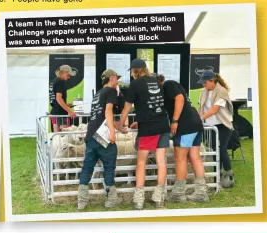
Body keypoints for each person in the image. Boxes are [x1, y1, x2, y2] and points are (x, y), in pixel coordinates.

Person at [117, 58, 170, 210]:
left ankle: (139, 199)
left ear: (135, 71)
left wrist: (120, 126)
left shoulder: (134, 85)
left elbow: (126, 109)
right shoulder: (157, 82)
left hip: (148, 129)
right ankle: (159, 197)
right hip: (162, 125)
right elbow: (155, 105)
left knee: (141, 162)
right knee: (161, 162)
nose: (132, 75)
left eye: (132, 72)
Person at [151, 74, 209, 202]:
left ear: (160, 81)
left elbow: (180, 98)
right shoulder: (163, 93)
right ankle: (201, 193)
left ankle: (179, 193)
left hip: (185, 126)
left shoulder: (168, 84)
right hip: (195, 124)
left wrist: (175, 120)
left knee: (180, 158)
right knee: (195, 157)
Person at [78, 69, 122, 210]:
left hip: (91, 135)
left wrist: (118, 126)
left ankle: (82, 200)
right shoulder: (110, 91)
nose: (118, 82)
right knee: (109, 167)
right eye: (117, 79)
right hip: (102, 136)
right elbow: (108, 111)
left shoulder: (97, 94)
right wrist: (112, 131)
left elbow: (99, 117)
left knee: (87, 167)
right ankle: (111, 200)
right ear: (112, 78)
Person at [197, 71, 235, 188]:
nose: (204, 85)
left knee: (221, 149)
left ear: (213, 81)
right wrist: (198, 118)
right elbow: (201, 108)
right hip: (211, 126)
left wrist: (201, 119)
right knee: (213, 149)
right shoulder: (204, 92)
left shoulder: (221, 92)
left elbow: (215, 109)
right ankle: (216, 176)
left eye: (205, 82)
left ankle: (229, 176)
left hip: (223, 125)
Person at [49, 65, 77, 132]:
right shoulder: (60, 81)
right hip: (60, 113)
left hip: (55, 112)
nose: (69, 77)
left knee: (56, 137)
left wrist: (65, 104)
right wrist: (69, 111)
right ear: (64, 72)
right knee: (65, 136)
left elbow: (55, 99)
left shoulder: (55, 81)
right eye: (69, 74)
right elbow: (58, 98)